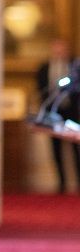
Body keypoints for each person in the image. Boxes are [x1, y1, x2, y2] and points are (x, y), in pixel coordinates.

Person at [37, 38, 80, 192]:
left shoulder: (74, 65)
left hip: (72, 113)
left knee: (75, 149)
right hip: (53, 114)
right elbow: (41, 89)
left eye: (61, 48)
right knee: (56, 149)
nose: (59, 51)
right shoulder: (44, 67)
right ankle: (61, 183)